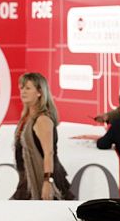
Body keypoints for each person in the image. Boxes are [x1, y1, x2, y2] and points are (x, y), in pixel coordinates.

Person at [11, 72, 74, 200]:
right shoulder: (27, 118)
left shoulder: (42, 119)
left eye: (28, 88)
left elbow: (48, 153)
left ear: (39, 92)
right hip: (27, 180)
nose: (23, 91)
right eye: (21, 88)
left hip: (43, 179)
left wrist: (47, 181)